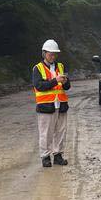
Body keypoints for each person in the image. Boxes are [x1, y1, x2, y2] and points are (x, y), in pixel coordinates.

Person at [32, 39, 70, 168]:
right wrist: (55, 80)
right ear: (44, 53)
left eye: (54, 54)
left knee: (60, 131)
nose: (53, 56)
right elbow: (39, 85)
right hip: (46, 106)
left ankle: (58, 155)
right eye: (50, 54)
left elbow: (67, 86)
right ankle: (45, 157)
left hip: (61, 105)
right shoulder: (38, 68)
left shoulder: (61, 67)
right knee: (45, 133)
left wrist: (65, 82)